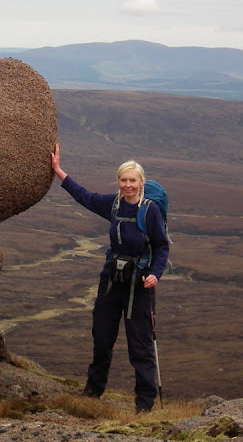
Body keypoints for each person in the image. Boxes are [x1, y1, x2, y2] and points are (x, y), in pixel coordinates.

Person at [51, 143, 170, 413]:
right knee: (102, 338)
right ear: (118, 181)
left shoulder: (150, 210)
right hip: (112, 281)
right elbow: (84, 196)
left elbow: (162, 246)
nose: (128, 185)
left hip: (139, 284)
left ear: (141, 182)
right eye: (123, 180)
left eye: (133, 181)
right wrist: (58, 170)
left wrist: (155, 274)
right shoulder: (113, 204)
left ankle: (144, 405)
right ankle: (93, 391)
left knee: (140, 346)